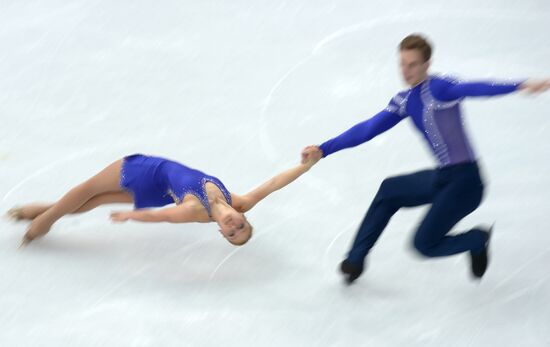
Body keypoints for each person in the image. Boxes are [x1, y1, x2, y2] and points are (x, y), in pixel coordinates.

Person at [301, 34, 550, 284]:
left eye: (412, 64)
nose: (406, 71)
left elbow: (475, 88)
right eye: (402, 64)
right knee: (389, 191)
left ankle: (476, 239)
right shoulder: (405, 101)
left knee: (423, 245)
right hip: (444, 178)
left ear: (426, 64)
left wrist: (520, 85)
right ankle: (354, 262)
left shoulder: (440, 89)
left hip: (466, 184)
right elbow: (368, 128)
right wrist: (323, 149)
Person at [8, 152, 322, 246]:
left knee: (89, 190)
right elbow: (273, 184)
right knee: (98, 199)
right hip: (161, 189)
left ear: (221, 232)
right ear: (243, 218)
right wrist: (305, 166)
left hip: (149, 174)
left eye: (231, 234)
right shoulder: (240, 202)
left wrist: (130, 217)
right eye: (241, 228)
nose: (234, 227)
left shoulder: (195, 210)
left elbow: (162, 217)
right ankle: (39, 210)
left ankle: (43, 221)